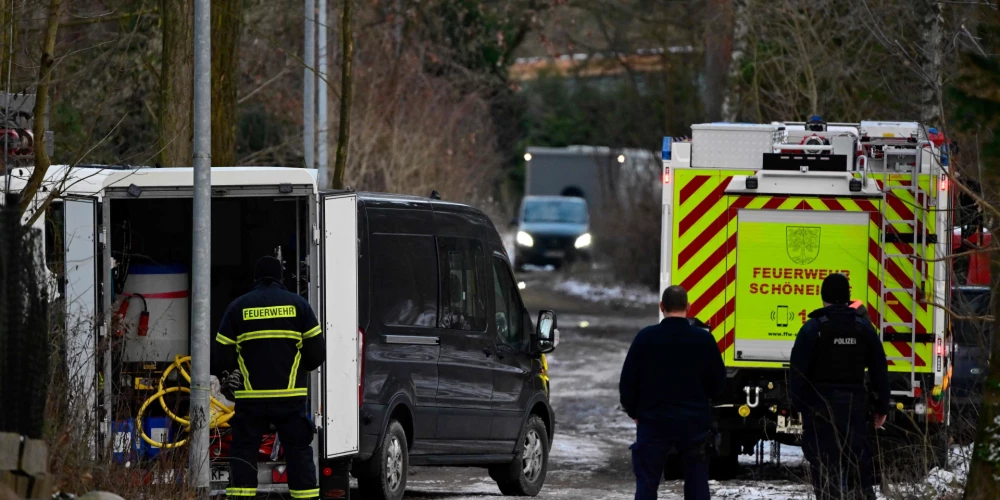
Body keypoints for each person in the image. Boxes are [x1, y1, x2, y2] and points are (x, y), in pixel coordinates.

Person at [213, 256, 325, 500]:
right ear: (280, 278)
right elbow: (317, 354)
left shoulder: (238, 307)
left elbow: (221, 356)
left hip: (250, 399)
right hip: (290, 398)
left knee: (244, 451)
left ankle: (242, 497)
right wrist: (296, 371)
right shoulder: (299, 306)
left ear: (255, 278)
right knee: (298, 451)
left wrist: (234, 374)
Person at [619, 285, 726, 500]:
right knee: (697, 482)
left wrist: (635, 413)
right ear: (688, 307)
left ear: (661, 306)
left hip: (653, 421)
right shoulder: (704, 340)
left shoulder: (645, 338)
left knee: (647, 482)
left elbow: (628, 382)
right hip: (694, 423)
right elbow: (718, 383)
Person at [789, 273, 889, 500]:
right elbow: (879, 370)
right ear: (848, 298)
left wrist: (800, 407)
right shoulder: (863, 328)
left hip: (820, 410)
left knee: (825, 473)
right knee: (858, 472)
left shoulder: (812, 329)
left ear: (823, 297)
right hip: (855, 409)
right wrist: (881, 406)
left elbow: (797, 374)